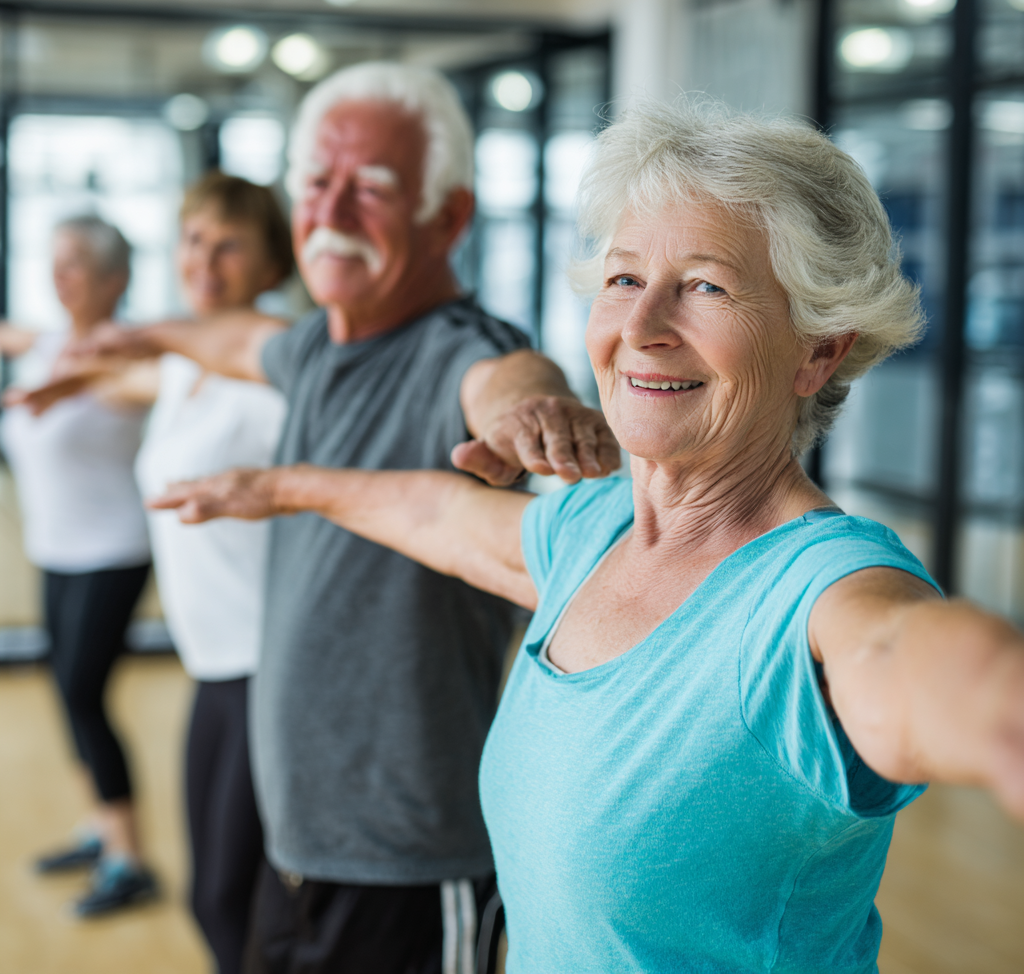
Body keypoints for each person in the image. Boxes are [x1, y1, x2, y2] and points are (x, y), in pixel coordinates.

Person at [152, 101, 1024, 974]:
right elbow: (435, 515)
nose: (641, 328)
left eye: (706, 286)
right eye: (624, 279)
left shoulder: (818, 592)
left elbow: (909, 655)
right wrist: (278, 487)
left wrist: (999, 711)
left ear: (819, 351)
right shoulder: (596, 529)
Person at [59, 63, 620, 973]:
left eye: (372, 188)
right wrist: (139, 334)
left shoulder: (460, 349)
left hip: (409, 859)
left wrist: (533, 410)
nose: (333, 210)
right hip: (299, 842)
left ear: (448, 218)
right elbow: (234, 338)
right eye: (318, 183)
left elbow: (506, 381)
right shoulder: (316, 347)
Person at [11, 173, 295, 973]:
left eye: (230, 244)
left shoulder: (278, 373)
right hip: (211, 660)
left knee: (237, 899)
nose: (205, 259)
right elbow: (132, 377)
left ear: (273, 264)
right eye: (194, 240)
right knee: (216, 899)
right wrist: (67, 378)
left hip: (266, 660)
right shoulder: (185, 368)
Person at [0, 216, 157, 916]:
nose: (58, 277)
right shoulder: (48, 343)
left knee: (84, 694)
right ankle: (100, 827)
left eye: (76, 265)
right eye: (54, 262)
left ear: (114, 279)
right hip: (56, 551)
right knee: (65, 693)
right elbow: (15, 335)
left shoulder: (124, 355)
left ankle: (130, 860)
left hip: (111, 551)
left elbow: (141, 381)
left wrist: (73, 378)